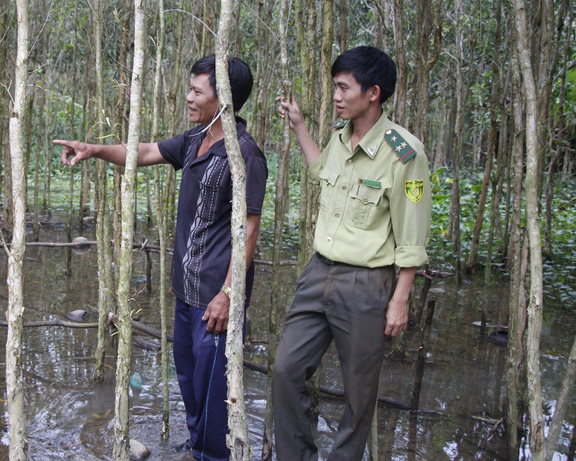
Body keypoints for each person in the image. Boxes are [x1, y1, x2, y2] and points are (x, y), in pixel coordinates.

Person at [54, 55, 268, 461]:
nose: (188, 97)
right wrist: (93, 149)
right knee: (188, 377)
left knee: (213, 386)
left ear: (223, 98)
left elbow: (250, 230)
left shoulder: (245, 155)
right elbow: (146, 150)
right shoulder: (194, 140)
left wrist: (227, 293)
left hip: (216, 298)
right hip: (186, 291)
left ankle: (212, 455)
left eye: (196, 91)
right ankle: (196, 448)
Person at [272, 46, 431, 460]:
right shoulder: (340, 139)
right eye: (335, 87)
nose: (337, 96)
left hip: (366, 285)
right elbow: (321, 170)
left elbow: (412, 235)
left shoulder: (404, 153)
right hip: (317, 274)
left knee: (359, 393)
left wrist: (400, 300)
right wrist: (300, 126)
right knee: (287, 370)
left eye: (344, 88)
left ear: (373, 92)